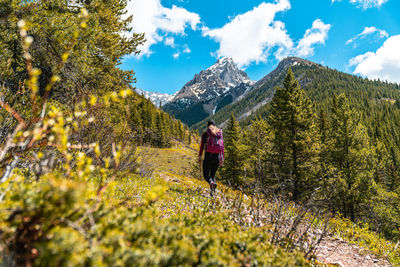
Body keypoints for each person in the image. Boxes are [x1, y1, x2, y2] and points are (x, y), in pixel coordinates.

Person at [198, 120, 224, 195]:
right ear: (215, 126)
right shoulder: (219, 133)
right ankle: (212, 192)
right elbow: (222, 147)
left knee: (206, 175)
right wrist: (222, 158)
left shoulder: (205, 134)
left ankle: (211, 183)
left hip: (208, 156)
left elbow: (202, 146)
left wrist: (200, 156)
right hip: (217, 156)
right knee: (212, 175)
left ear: (208, 126)